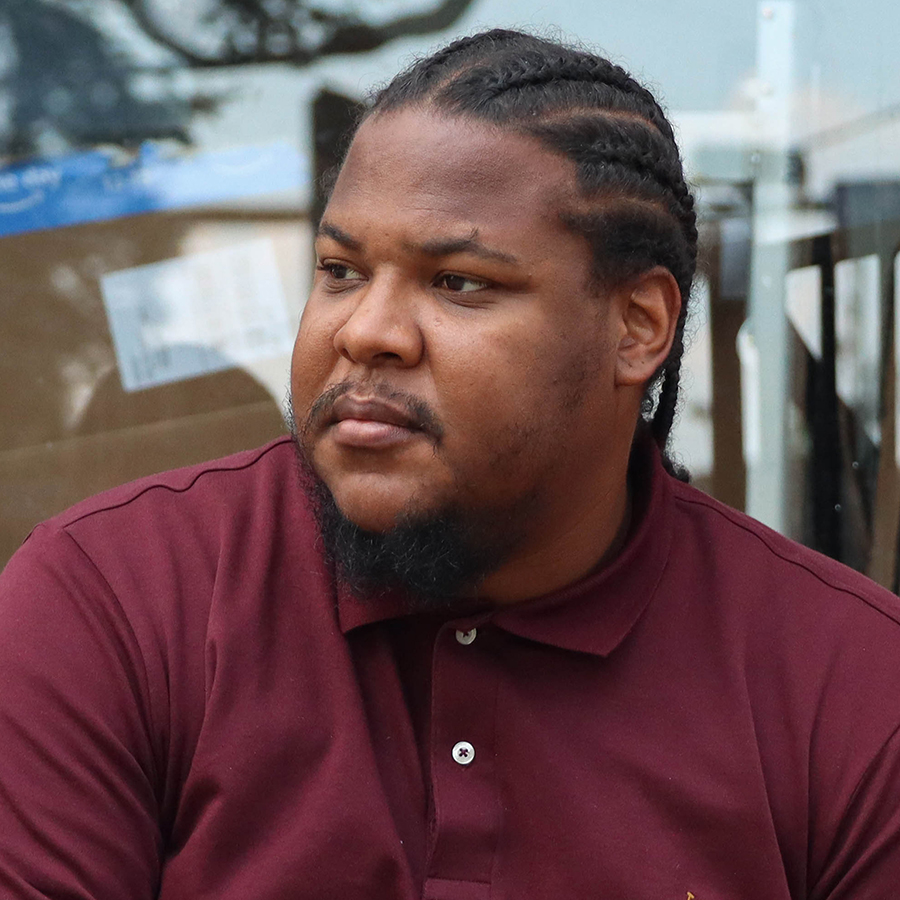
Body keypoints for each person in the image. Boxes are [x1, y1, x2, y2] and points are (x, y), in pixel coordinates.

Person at [1, 28, 899, 900]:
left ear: (638, 328)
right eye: (340, 270)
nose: (367, 333)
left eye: (459, 282)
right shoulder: (113, 601)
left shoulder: (850, 685)